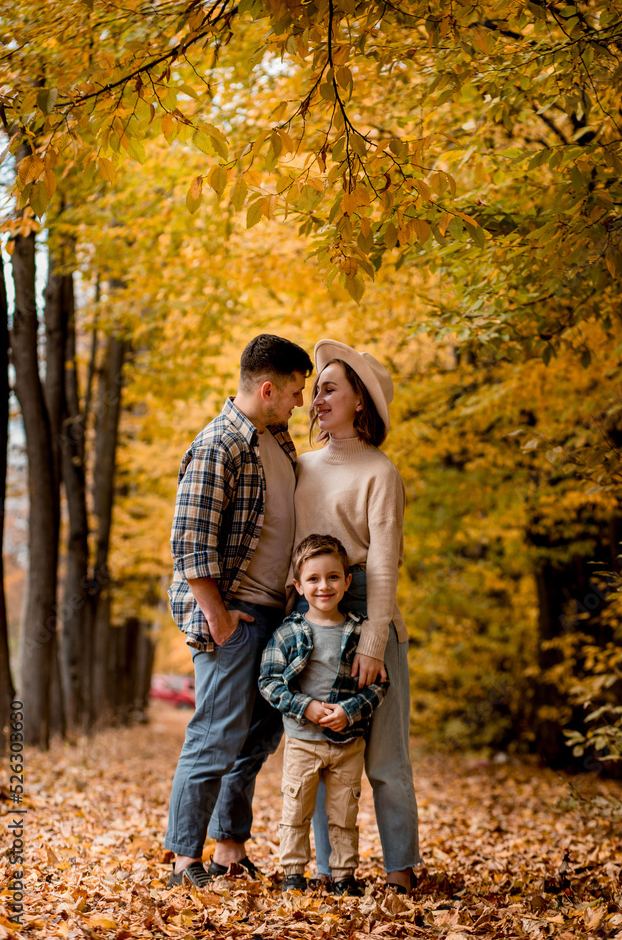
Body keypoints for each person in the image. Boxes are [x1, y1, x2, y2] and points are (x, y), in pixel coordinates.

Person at [164, 333, 313, 888]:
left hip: (275, 615)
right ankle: (184, 860)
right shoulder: (219, 444)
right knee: (216, 734)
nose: (301, 401)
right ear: (268, 388)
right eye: (296, 391)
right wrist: (218, 617)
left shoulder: (276, 439)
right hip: (234, 615)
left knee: (256, 736)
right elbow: (190, 541)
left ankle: (229, 848)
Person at [292, 339, 420, 894]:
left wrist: (372, 640)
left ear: (359, 401)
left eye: (328, 388)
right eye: (315, 389)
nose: (316, 398)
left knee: (385, 757)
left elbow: (387, 564)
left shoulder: (380, 473)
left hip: (369, 606)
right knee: (320, 746)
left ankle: (400, 870)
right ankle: (329, 869)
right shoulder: (299, 467)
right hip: (311, 613)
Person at [259, 534, 388, 895]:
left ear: (348, 581)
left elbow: (379, 685)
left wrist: (349, 711)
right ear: (299, 586)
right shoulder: (288, 632)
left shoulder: (360, 631)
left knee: (344, 816)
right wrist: (307, 707)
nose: (324, 586)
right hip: (303, 742)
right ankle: (293, 874)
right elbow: (268, 681)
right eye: (313, 579)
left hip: (348, 743)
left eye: (333, 577)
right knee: (295, 812)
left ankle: (344, 876)